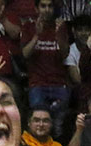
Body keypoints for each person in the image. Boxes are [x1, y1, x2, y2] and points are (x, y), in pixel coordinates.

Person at [21, 0, 71, 138]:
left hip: (59, 83)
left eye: (50, 6)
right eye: (43, 6)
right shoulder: (28, 27)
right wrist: (37, 35)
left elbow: (64, 54)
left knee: (58, 127)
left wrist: (59, 35)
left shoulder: (60, 26)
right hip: (37, 83)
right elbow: (25, 53)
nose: (47, 9)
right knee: (38, 124)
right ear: (36, 8)